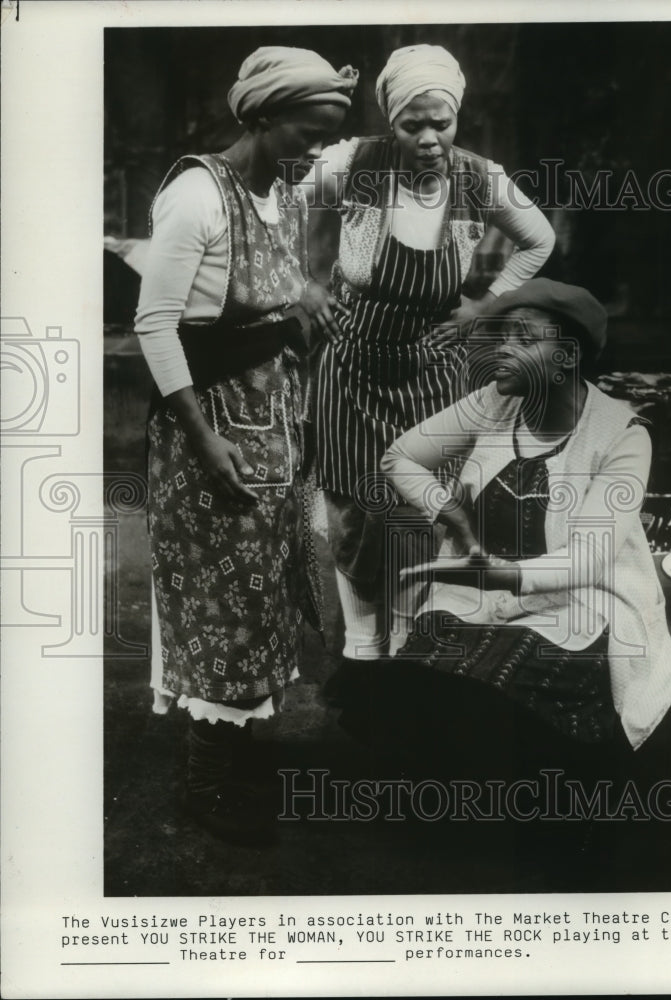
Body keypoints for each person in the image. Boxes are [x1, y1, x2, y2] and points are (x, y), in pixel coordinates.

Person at [334, 280, 671, 817]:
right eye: (501, 336)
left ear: (567, 357)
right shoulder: (493, 403)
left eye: (523, 338)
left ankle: (552, 801)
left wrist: (503, 576)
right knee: (419, 669)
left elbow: (587, 558)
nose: (502, 349)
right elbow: (399, 456)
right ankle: (474, 787)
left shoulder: (622, 435)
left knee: (511, 675)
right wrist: (444, 507)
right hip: (479, 596)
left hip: (582, 604)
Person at [134, 46, 357, 843]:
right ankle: (205, 783)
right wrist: (203, 440)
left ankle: (236, 754)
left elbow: (271, 285)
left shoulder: (278, 191)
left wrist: (306, 299)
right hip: (213, 426)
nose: (314, 151)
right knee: (220, 600)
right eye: (306, 132)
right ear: (260, 117)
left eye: (326, 137)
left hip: (272, 419)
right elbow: (155, 326)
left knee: (262, 591)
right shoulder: (197, 195)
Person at [300, 44, 556, 664]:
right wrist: (301, 283)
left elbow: (538, 239)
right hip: (352, 368)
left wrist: (484, 306)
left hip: (430, 374)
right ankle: (362, 653)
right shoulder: (353, 162)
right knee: (355, 514)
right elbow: (274, 208)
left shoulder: (480, 178)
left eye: (441, 123)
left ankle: (406, 653)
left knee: (420, 515)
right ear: (391, 123)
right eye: (411, 125)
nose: (428, 139)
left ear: (456, 117)